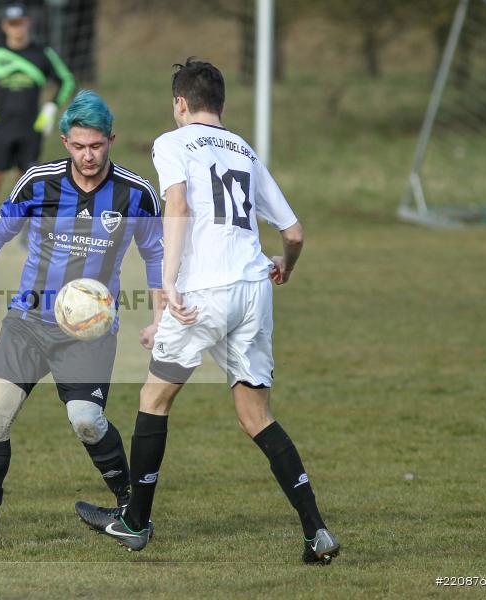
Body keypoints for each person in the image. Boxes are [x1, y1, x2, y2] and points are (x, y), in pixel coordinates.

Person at [73, 59, 341, 565]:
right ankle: (316, 532)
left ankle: (134, 523)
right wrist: (287, 263)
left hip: (203, 293)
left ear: (180, 103)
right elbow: (295, 233)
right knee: (256, 415)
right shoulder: (244, 149)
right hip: (253, 289)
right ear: (220, 104)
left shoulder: (171, 143)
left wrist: (169, 282)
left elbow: (177, 205)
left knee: (153, 398)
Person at [0, 90, 164, 549]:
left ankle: (130, 504)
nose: (88, 155)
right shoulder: (38, 183)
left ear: (111, 140)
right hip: (27, 323)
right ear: (64, 141)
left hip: (90, 329)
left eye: (97, 146)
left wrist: (160, 319)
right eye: (79, 146)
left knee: (86, 421)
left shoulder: (135, 193)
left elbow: (158, 256)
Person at [0, 2, 76, 213]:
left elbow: (66, 80)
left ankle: (23, 226)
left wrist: (51, 107)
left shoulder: (43, 53)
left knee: (27, 179)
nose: (17, 28)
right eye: (12, 24)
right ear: (5, 26)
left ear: (27, 24)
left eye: (20, 23)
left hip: (30, 126)